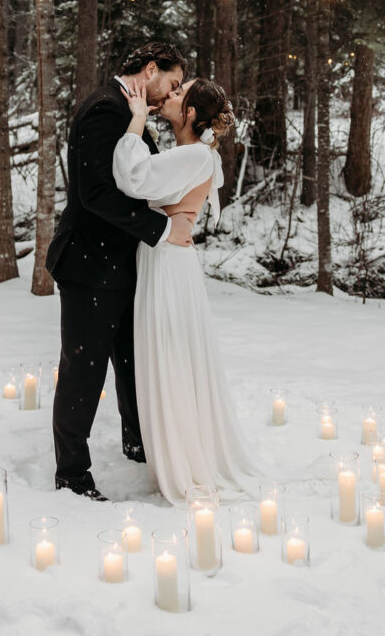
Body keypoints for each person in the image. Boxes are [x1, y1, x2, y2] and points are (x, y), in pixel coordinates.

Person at [46, 42, 193, 499]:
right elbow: (96, 194)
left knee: (134, 364)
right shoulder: (103, 110)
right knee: (83, 372)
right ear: (150, 69)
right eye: (170, 83)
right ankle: (71, 473)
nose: (170, 94)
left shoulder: (127, 112)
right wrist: (163, 229)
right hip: (90, 264)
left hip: (125, 264)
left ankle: (137, 441)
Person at [112, 76, 261, 504]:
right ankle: (177, 447)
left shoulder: (195, 154)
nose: (169, 96)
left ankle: (184, 457)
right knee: (169, 354)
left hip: (169, 266)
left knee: (172, 356)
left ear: (191, 113)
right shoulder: (191, 154)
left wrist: (137, 120)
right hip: (167, 259)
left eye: (178, 94)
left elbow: (133, 177)